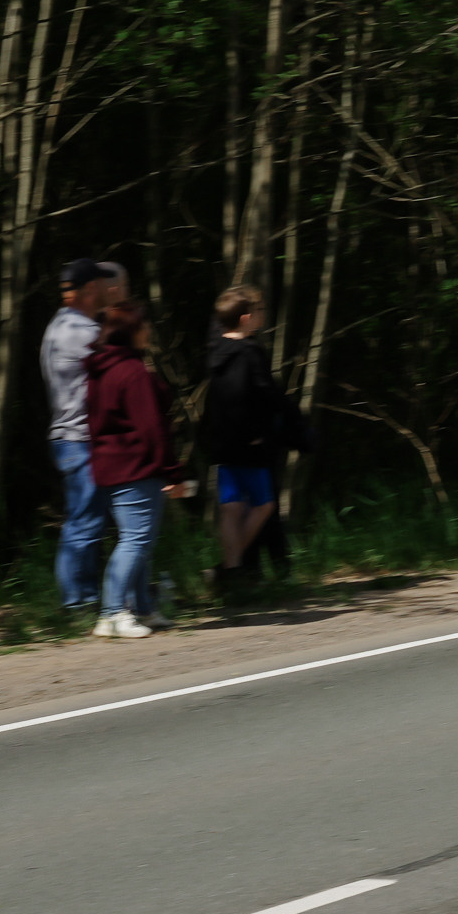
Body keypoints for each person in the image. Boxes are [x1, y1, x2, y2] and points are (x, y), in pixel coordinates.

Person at [83, 299, 187, 637]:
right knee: (136, 540)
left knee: (140, 540)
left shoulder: (100, 371)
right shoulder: (133, 373)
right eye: (145, 327)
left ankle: (143, 607)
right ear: (132, 332)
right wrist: (173, 472)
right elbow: (153, 428)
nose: (149, 333)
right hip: (136, 468)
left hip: (110, 468)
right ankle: (112, 613)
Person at [41, 257, 127, 614]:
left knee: (86, 517)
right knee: (85, 520)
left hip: (69, 436)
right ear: (91, 290)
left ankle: (86, 595)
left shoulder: (61, 325)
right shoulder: (81, 331)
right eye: (103, 287)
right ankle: (78, 601)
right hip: (78, 438)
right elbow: (126, 363)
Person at [201, 284, 289, 594]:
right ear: (247, 318)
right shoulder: (250, 353)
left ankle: (232, 569)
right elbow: (257, 396)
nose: (263, 317)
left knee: (231, 508)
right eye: (261, 312)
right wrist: (257, 432)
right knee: (264, 505)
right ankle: (230, 568)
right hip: (249, 444)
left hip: (222, 445)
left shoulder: (216, 352)